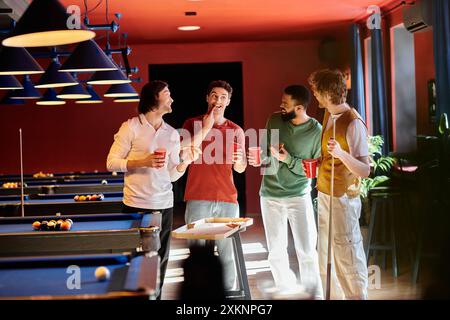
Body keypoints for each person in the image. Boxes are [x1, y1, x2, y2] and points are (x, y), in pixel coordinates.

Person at [106, 80, 199, 298]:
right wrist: (143, 161)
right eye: (167, 94)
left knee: (161, 259)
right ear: (154, 99)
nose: (172, 98)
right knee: (134, 260)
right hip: (134, 206)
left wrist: (185, 162)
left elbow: (171, 174)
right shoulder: (130, 127)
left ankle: (155, 297)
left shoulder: (171, 134)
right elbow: (111, 162)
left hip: (164, 205)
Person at [248, 85, 323, 299]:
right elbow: (265, 154)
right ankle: (285, 292)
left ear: (299, 108)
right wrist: (258, 159)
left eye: (286, 104)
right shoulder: (274, 120)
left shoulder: (316, 131)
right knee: (276, 252)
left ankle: (313, 294)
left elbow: (314, 169)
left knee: (307, 250)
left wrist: (287, 159)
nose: (281, 106)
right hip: (270, 195)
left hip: (299, 195)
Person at [308, 69, 370, 300]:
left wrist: (342, 154)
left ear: (326, 93)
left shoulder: (354, 123)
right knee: (326, 254)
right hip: (325, 193)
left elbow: (365, 170)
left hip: (343, 199)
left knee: (347, 254)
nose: (314, 95)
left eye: (316, 90)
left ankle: (357, 297)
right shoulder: (329, 115)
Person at [181, 80, 247, 292]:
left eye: (223, 97)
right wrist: (207, 127)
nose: (218, 100)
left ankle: (228, 296)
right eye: (214, 96)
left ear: (228, 102)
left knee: (227, 252)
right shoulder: (191, 124)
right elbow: (182, 154)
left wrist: (239, 161)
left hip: (227, 199)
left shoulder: (236, 130)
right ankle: (197, 294)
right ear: (207, 98)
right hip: (198, 196)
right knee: (197, 251)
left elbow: (241, 168)